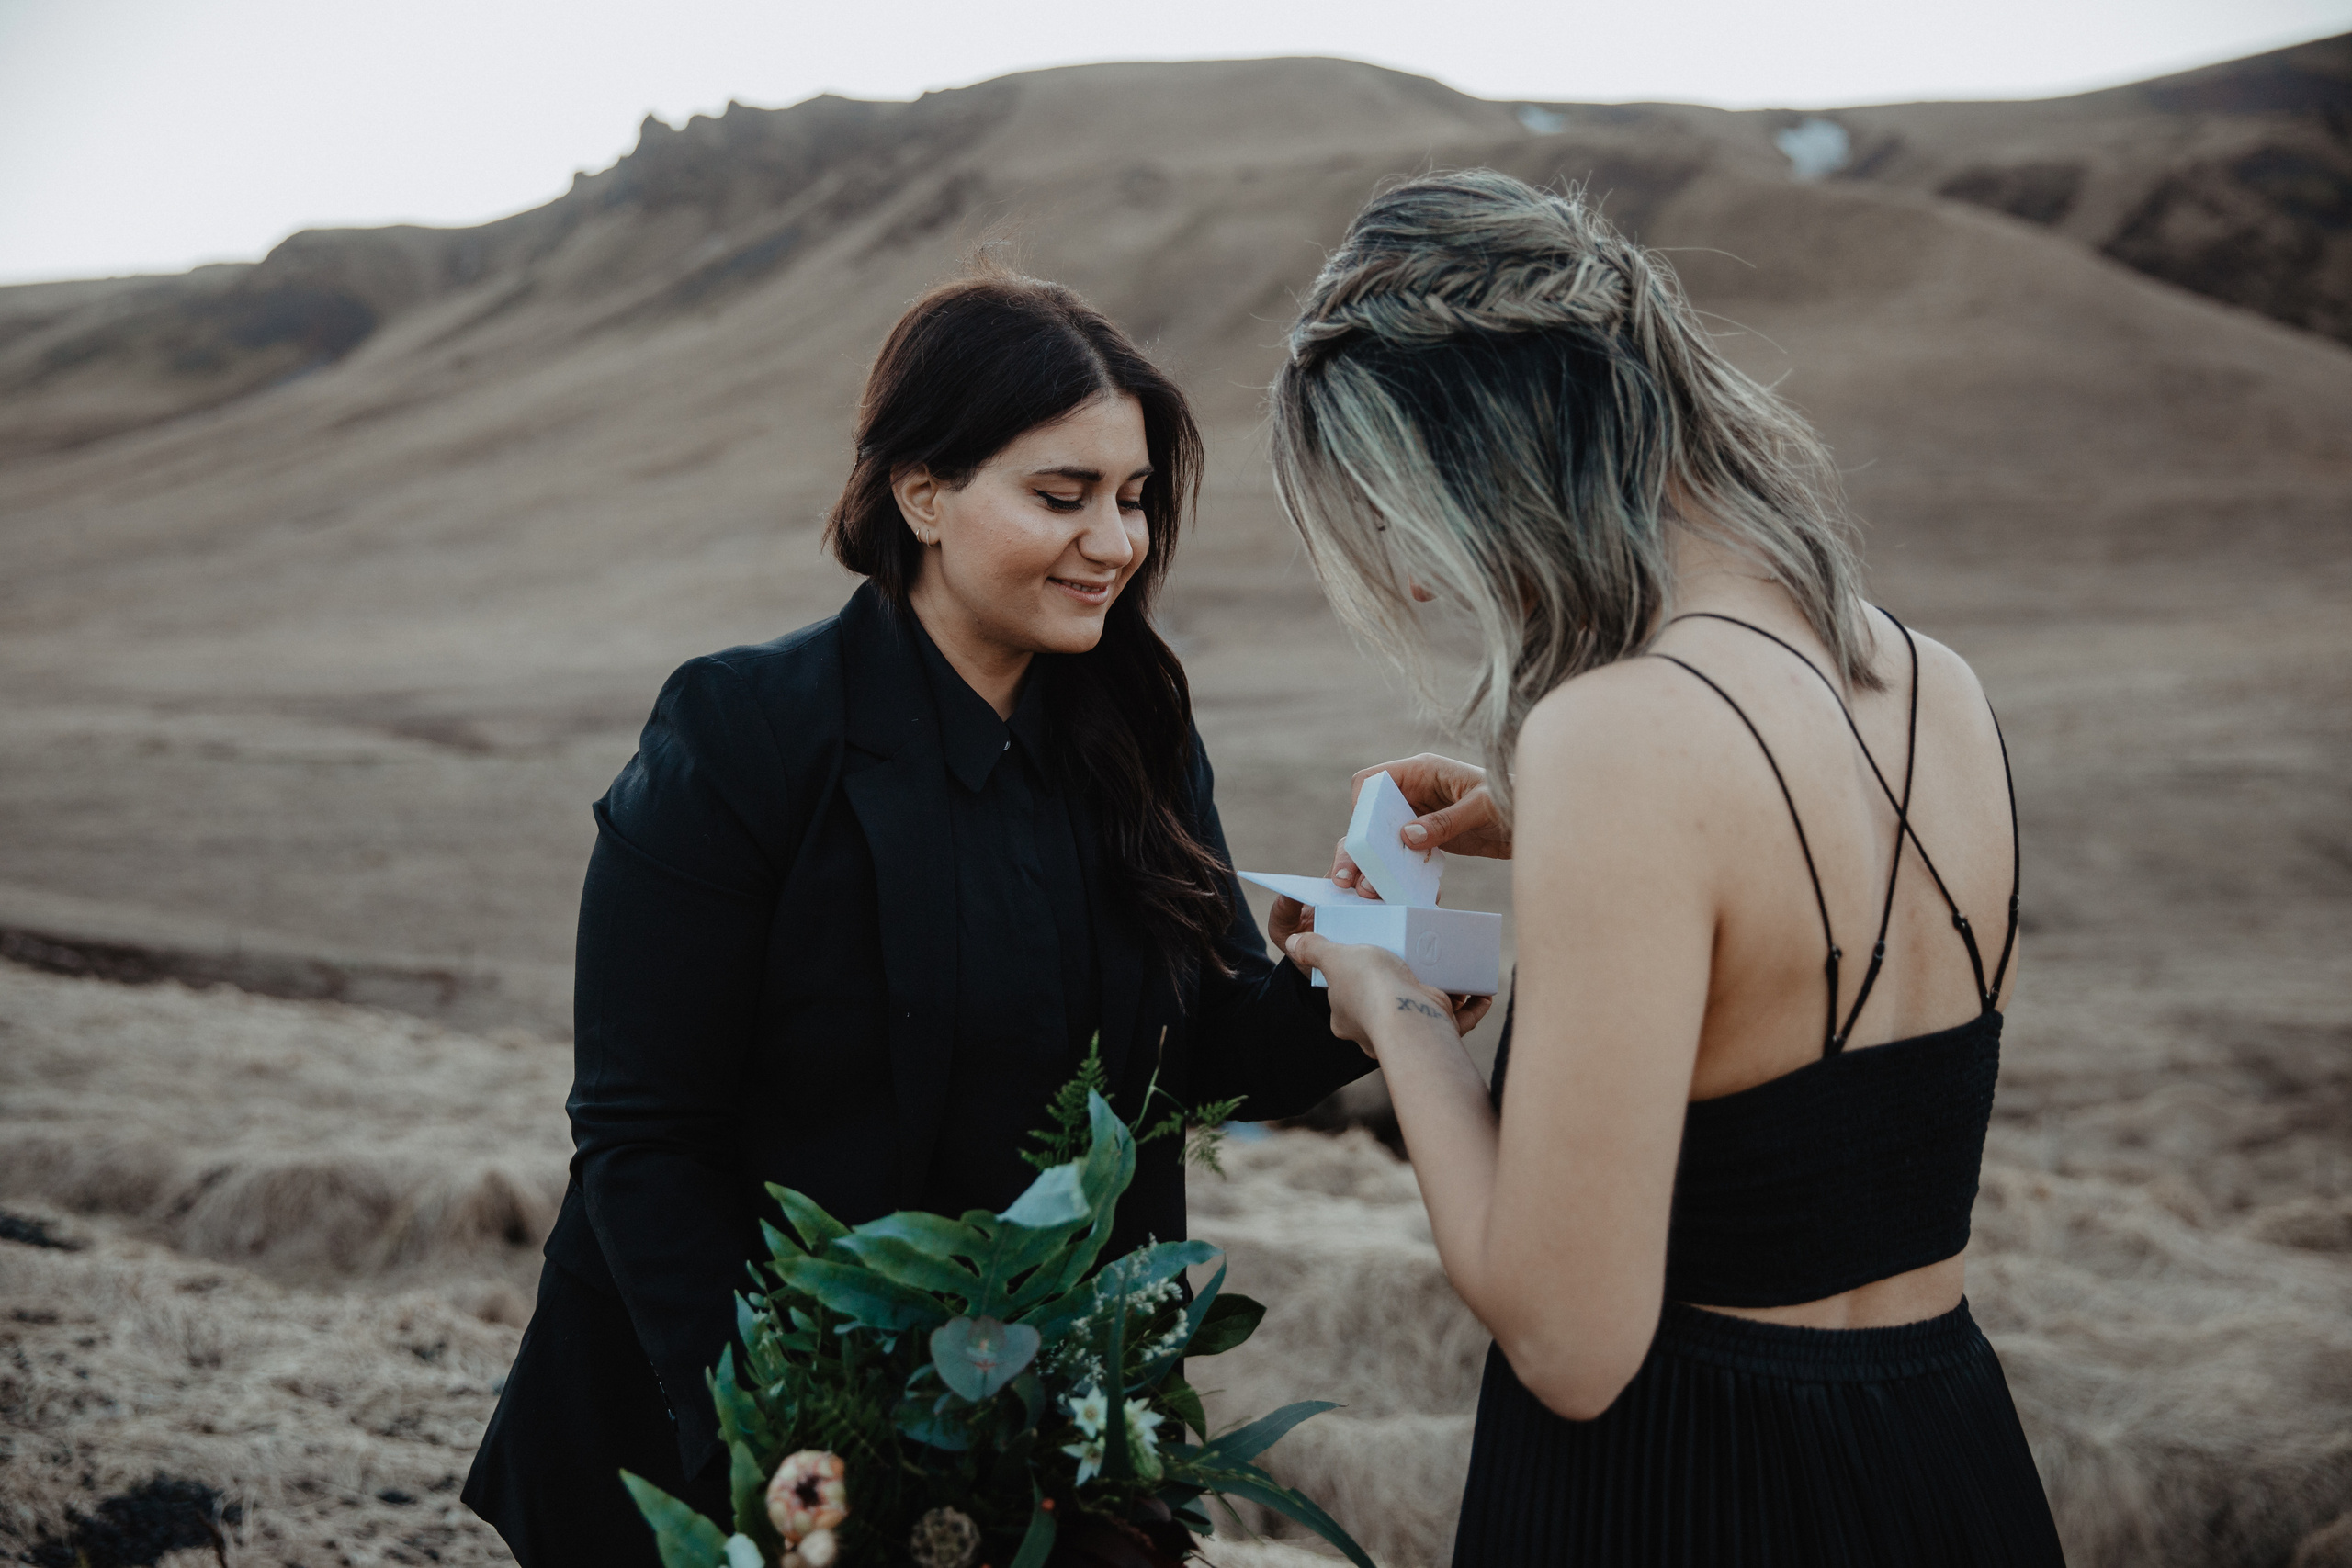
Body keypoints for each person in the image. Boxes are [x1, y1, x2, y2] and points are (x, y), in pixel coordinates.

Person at [463, 266, 1375, 1566]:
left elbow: (1209, 1051)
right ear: (922, 492)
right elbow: (644, 1137)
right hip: (740, 1417)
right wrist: (784, 1447)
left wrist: (1366, 985)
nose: (1115, 542)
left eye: (1132, 499)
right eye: (1061, 497)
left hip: (1036, 1419)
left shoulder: (1141, 736)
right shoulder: (743, 734)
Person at [1270, 171, 2067, 1563]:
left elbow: (1573, 1341)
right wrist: (1558, 835)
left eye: (1398, 513)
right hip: (1948, 1460)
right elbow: (1811, 1018)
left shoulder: (1619, 731)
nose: (1412, 583)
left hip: (1694, 1492)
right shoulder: (1935, 683)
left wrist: (1387, 1000)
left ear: (1491, 459)